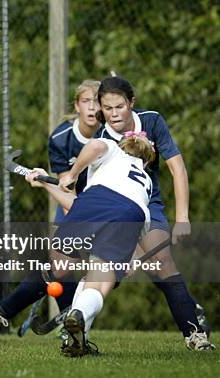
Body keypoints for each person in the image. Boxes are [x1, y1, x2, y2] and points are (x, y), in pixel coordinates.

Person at [0, 79, 100, 344]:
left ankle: (68, 320)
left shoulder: (112, 134)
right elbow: (70, 197)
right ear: (76, 105)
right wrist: (45, 181)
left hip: (109, 208)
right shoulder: (61, 138)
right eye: (86, 101)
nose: (92, 107)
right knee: (61, 269)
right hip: (75, 205)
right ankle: (3, 313)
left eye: (98, 101)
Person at [95, 75, 213, 351]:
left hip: (149, 205)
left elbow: (177, 168)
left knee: (161, 260)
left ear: (132, 103)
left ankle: (195, 335)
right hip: (117, 212)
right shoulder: (101, 141)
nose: (113, 115)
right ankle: (76, 331)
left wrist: (182, 218)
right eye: (107, 108)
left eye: (119, 107)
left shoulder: (153, 121)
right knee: (107, 273)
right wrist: (132, 248)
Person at [27, 134, 155, 356]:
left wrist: (72, 174)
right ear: (145, 162)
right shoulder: (147, 182)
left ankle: (75, 336)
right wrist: (134, 254)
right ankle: (78, 317)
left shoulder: (114, 150)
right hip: (131, 215)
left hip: (94, 203)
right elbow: (134, 217)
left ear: (124, 147)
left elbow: (95, 146)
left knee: (63, 269)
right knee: (98, 283)